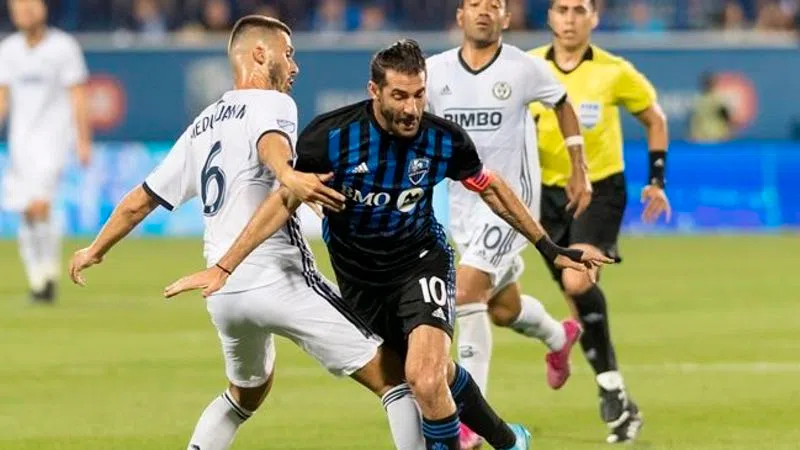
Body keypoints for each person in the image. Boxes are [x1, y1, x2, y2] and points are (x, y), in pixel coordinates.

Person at [165, 39, 614, 450]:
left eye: (419, 95)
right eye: (399, 96)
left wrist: (549, 248)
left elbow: (491, 187)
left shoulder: (443, 139)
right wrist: (225, 266)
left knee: (424, 377)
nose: (412, 108)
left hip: (420, 261)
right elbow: (284, 200)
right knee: (435, 374)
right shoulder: (330, 138)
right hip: (359, 279)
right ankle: (509, 441)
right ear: (374, 91)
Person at [68, 16, 425, 450]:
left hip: (223, 295)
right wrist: (286, 173)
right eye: (288, 54)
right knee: (397, 379)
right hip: (277, 278)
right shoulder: (273, 103)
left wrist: (95, 248)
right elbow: (270, 143)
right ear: (260, 53)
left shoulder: (203, 124)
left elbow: (140, 200)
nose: (294, 66)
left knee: (245, 395)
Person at [426, 1, 592, 446]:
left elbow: (562, 103)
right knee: (502, 309)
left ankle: (467, 420)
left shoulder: (523, 68)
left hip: (511, 204)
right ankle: (559, 336)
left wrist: (578, 165)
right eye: (475, 4)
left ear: (505, 17)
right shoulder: (435, 72)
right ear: (460, 15)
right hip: (463, 206)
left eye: (494, 5)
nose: (484, 11)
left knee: (465, 292)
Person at [528, 0, 672, 443]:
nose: (570, 19)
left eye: (579, 10)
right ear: (549, 17)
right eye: (562, 10)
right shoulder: (528, 68)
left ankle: (609, 386)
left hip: (600, 189)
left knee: (577, 280)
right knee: (577, 298)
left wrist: (656, 180)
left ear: (594, 17)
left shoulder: (614, 71)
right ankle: (618, 399)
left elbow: (655, 118)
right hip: (544, 196)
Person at [0, 0, 91, 303]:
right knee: (26, 211)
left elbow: (78, 95)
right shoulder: (8, 50)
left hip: (53, 140)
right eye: (18, 5)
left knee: (40, 205)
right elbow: (2, 98)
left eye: (30, 4)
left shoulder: (63, 47)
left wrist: (83, 139)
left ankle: (48, 276)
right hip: (20, 143)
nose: (25, 10)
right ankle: (38, 278)